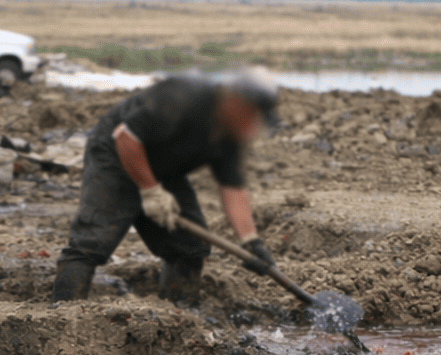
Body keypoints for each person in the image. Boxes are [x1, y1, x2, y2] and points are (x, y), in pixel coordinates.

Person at [50, 68, 281, 305]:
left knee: (190, 247)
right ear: (236, 103)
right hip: (115, 156)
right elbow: (125, 136)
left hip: (161, 170)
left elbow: (232, 187)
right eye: (254, 116)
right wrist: (150, 191)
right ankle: (62, 314)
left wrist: (250, 241)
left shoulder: (229, 137)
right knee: (92, 241)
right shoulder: (185, 97)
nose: (255, 126)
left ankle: (178, 316)